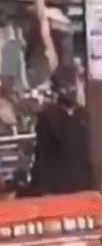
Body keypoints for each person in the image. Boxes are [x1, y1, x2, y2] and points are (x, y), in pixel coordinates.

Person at [29, 64, 94, 196]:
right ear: (57, 90)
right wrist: (44, 190)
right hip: (58, 191)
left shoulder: (83, 115)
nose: (71, 90)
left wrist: (93, 185)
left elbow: (87, 154)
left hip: (83, 188)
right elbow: (42, 158)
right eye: (66, 86)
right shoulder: (48, 118)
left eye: (74, 85)